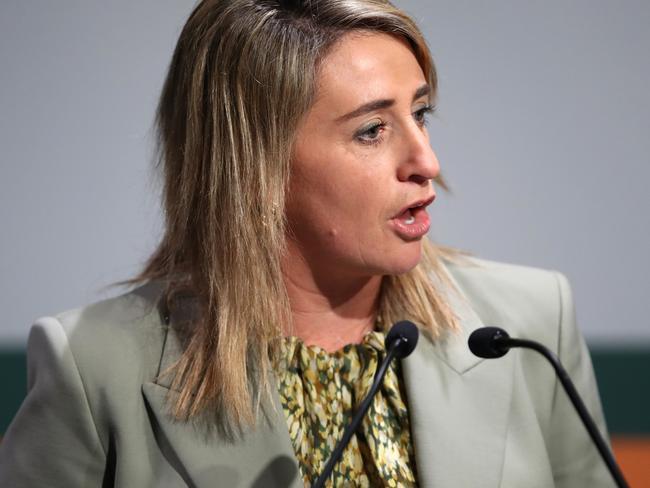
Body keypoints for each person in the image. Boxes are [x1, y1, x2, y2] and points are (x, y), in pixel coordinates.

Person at [0, 0, 613, 486]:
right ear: (254, 166)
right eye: (373, 130)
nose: (426, 160)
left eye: (420, 114)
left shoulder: (529, 323)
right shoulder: (94, 368)